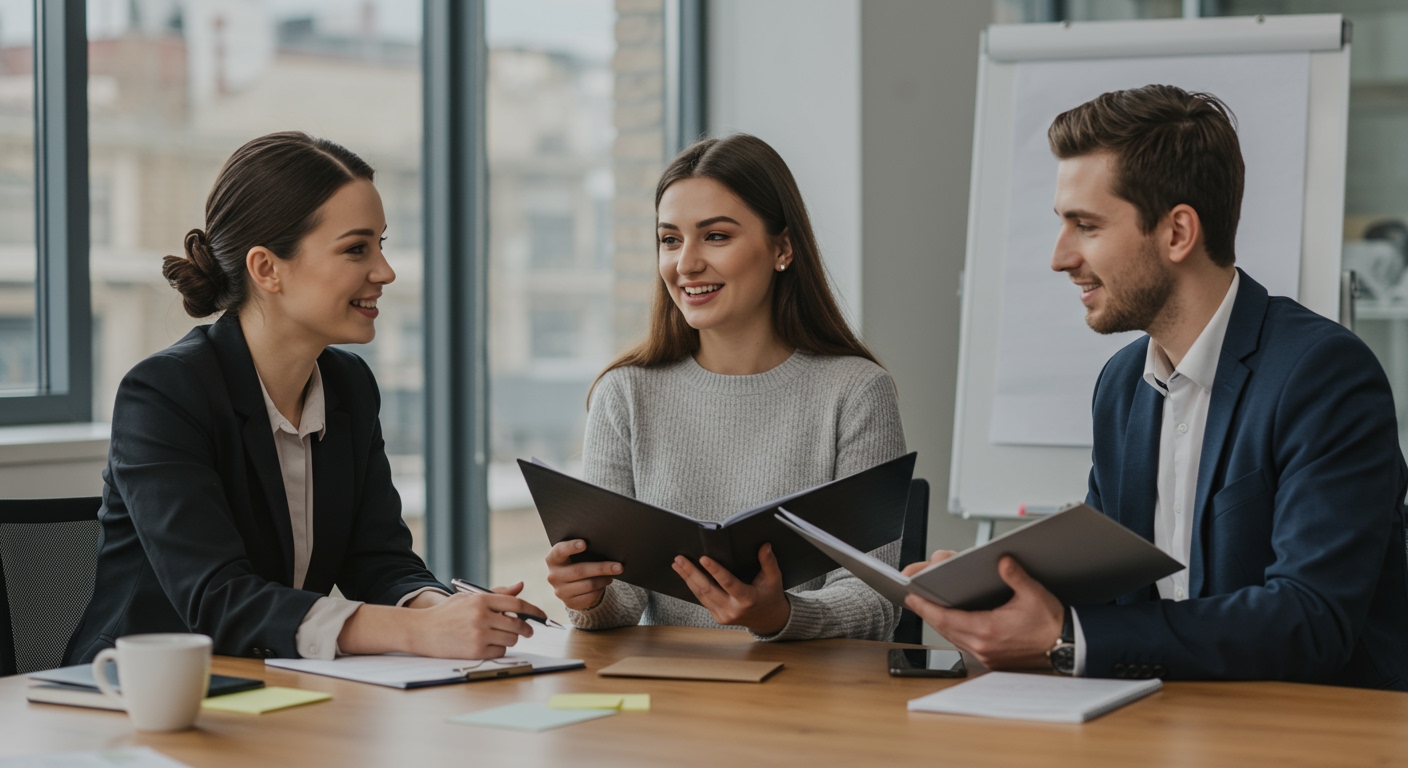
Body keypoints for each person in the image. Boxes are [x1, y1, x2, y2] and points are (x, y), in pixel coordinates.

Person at [903, 85, 1408, 689]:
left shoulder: (1323, 375)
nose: (1060, 257)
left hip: (1309, 730)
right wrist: (992, 588)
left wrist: (1065, 637)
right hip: (1157, 716)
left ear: (1177, 233)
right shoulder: (1121, 385)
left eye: (1085, 225)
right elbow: (1108, 583)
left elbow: (1311, 619)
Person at [66, 132, 542, 663]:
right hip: (138, 695)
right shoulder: (163, 395)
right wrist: (416, 633)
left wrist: (444, 611)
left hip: (272, 688)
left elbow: (378, 560)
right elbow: (218, 600)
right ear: (267, 268)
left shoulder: (349, 387)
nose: (384, 272)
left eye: (381, 245)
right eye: (356, 248)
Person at [545, 134, 907, 641]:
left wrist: (780, 616)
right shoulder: (624, 394)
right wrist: (591, 592)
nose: (685, 264)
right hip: (672, 692)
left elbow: (876, 599)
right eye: (670, 240)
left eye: (715, 236)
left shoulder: (857, 393)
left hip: (809, 697)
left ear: (782, 247)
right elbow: (622, 600)